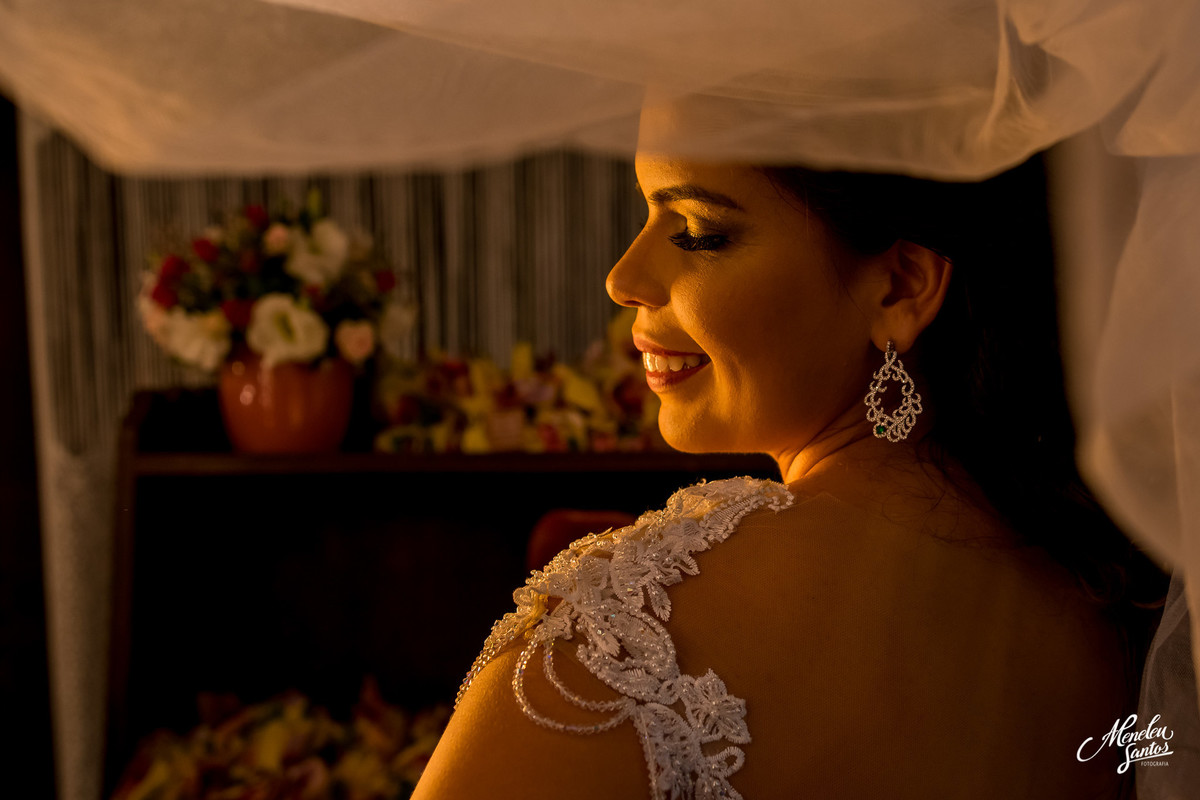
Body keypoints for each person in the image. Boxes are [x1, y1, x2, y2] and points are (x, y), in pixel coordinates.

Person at [410, 148, 1167, 799]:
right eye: (645, 213)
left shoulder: (618, 644)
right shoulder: (1123, 608)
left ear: (902, 286)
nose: (622, 276)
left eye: (698, 233)